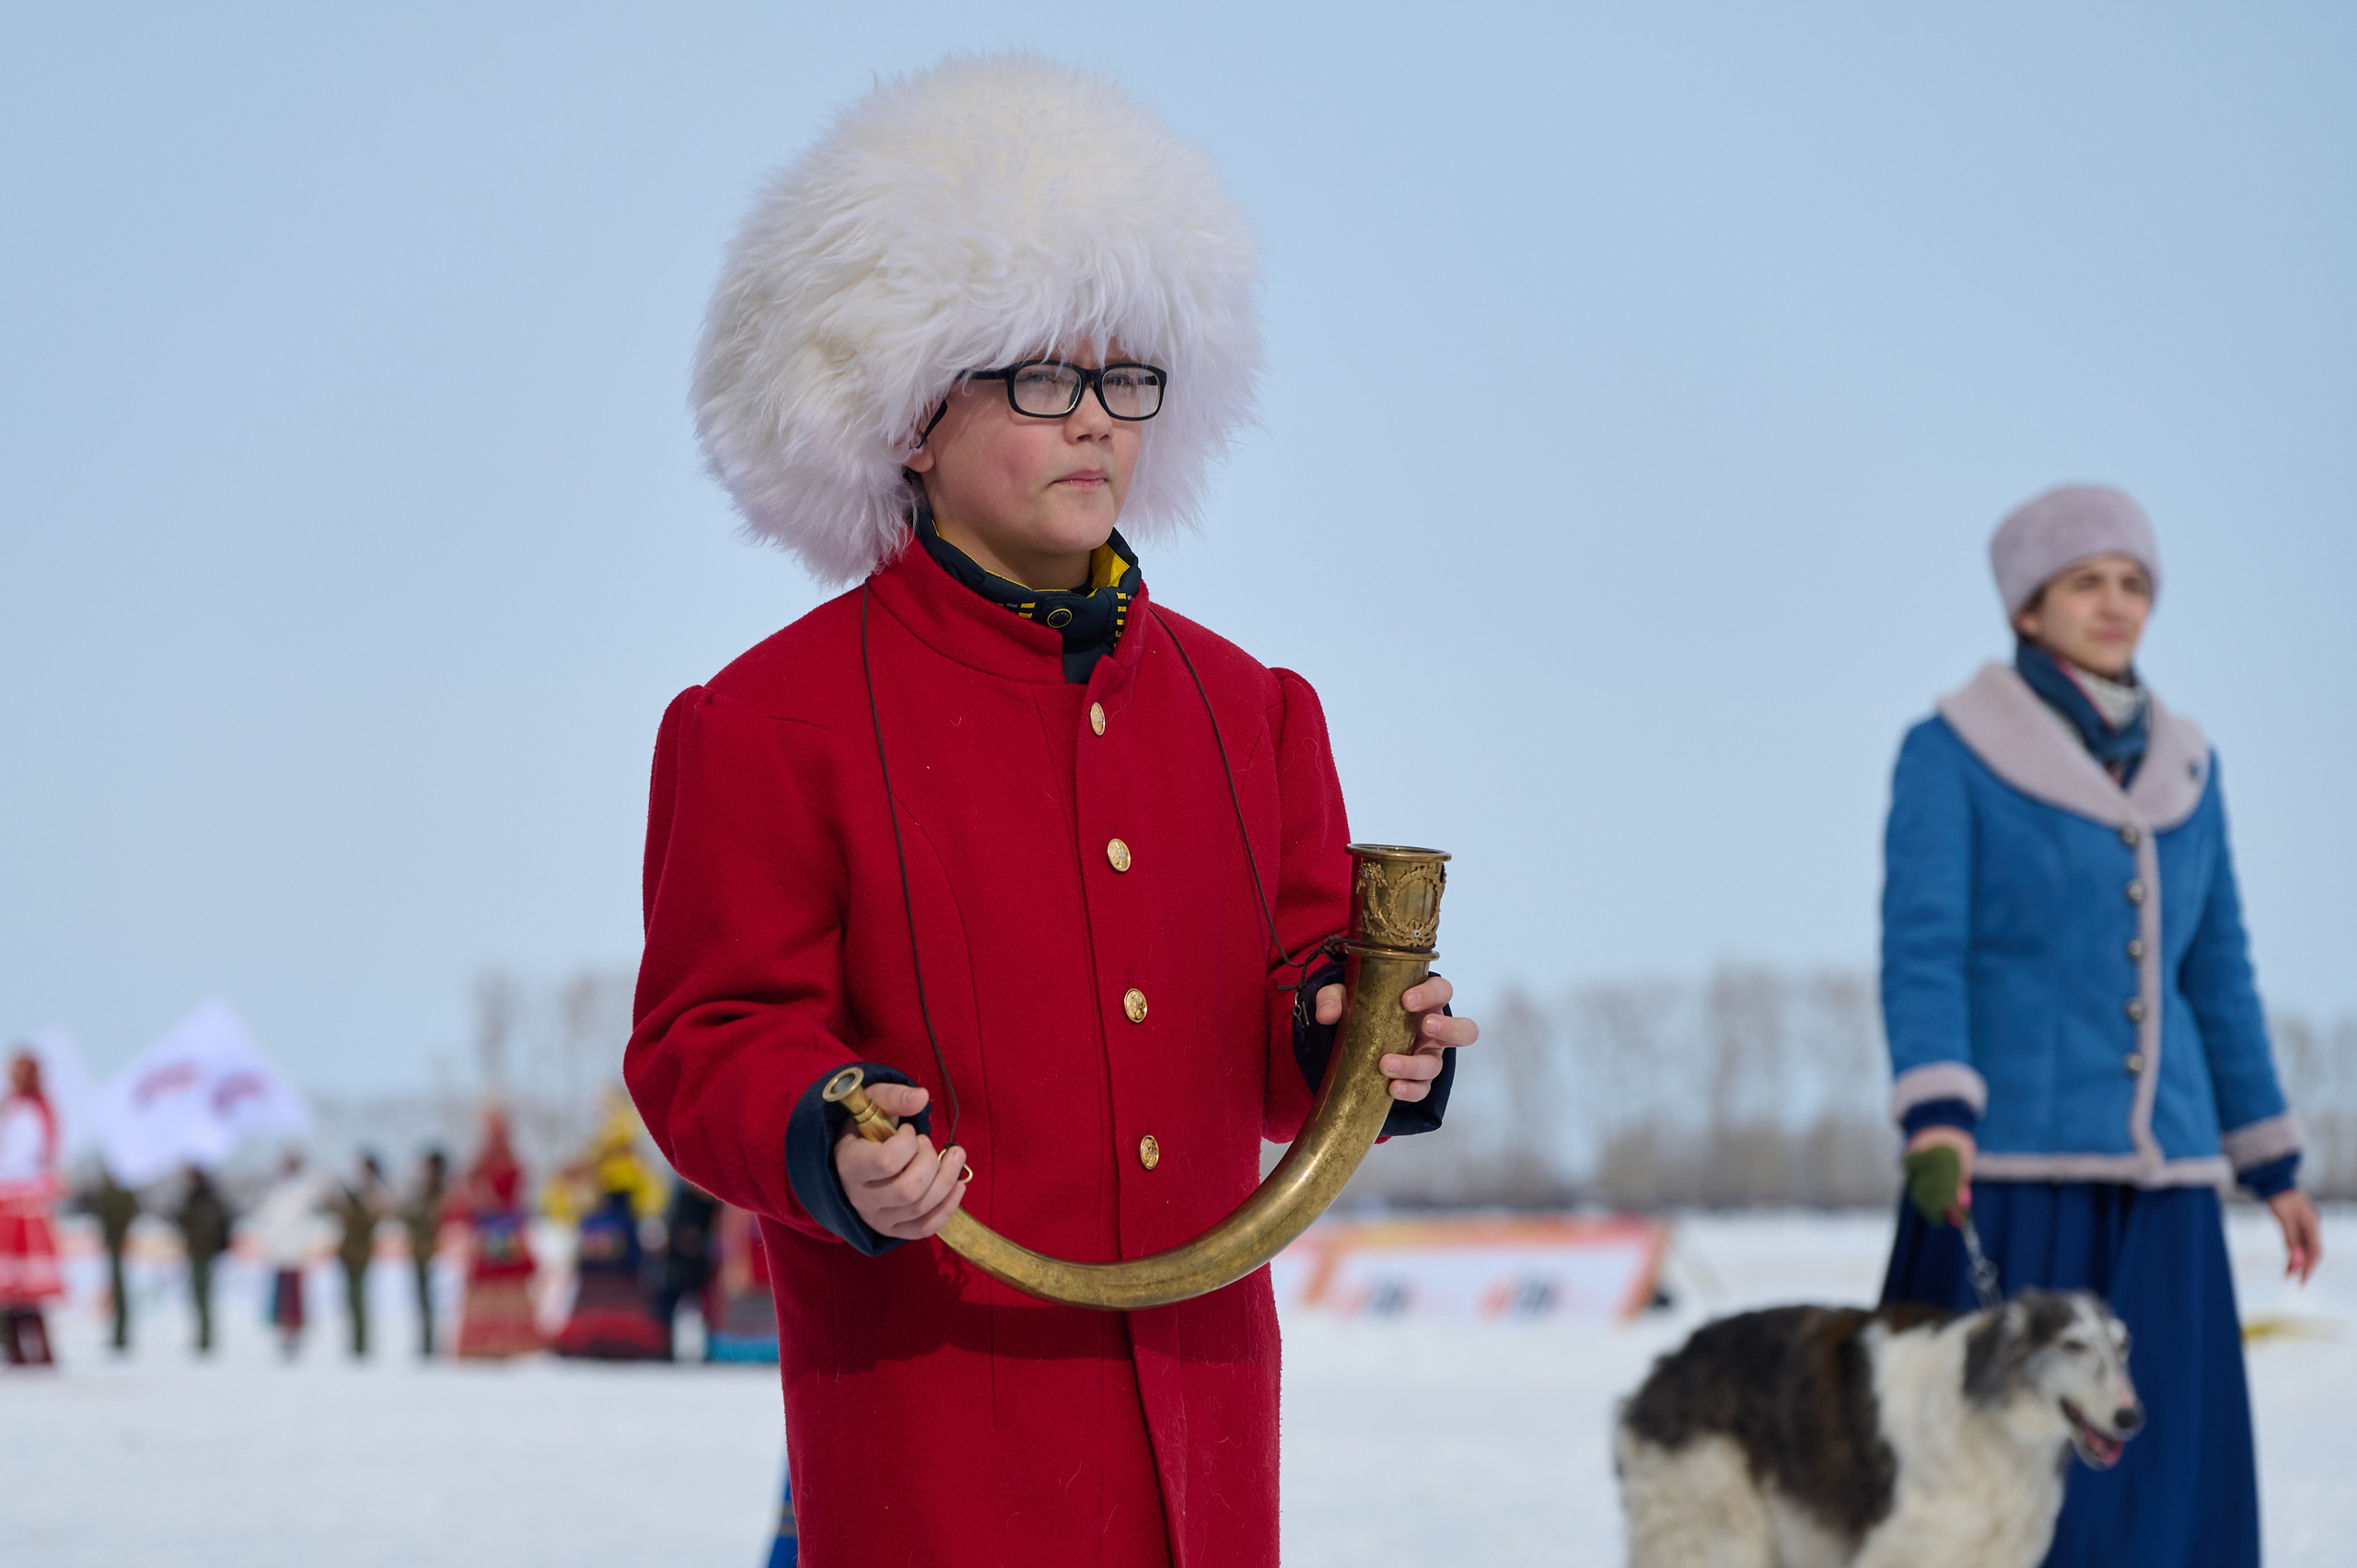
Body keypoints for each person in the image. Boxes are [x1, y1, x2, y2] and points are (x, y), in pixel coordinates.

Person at [626, 56, 1475, 1567]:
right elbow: (709, 1038)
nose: (1094, 420)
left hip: (1204, 1424)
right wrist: (830, 1133)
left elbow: (1287, 1026)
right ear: (903, 416)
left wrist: (1364, 1041)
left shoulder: (1253, 707)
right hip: (941, 1422)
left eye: (1122, 378)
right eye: (1039, 376)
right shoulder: (762, 721)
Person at [1877, 483, 2325, 1568]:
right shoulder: (1949, 751)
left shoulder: (2189, 767)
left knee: (2163, 1481)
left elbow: (2215, 973)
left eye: (2132, 582)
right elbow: (1923, 943)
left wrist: (2270, 1159)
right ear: (2028, 607)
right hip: (2009, 1174)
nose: (2115, 602)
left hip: (2163, 1189)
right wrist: (1937, 1113)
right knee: (1985, 1488)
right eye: (2085, 581)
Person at [545, 1090, 668, 1360]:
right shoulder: (596, 1156)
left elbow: (652, 1198)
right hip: (604, 1233)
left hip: (618, 1232)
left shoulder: (629, 1159)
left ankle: (614, 1339)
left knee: (617, 1283)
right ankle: (598, 1338)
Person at [450, 1107, 541, 1359]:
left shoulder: (500, 1160)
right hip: (497, 1228)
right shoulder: (488, 1159)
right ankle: (501, 1342)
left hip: (501, 1227)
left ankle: (501, 1343)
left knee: (500, 1280)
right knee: (495, 1280)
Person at [0, 1048, 65, 1366]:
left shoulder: (32, 1111)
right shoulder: (17, 1108)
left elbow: (25, 1157)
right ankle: (18, 1348)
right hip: (14, 1199)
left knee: (24, 1286)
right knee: (13, 1289)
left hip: (21, 1200)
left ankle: (35, 1349)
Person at [250, 1148, 327, 1360]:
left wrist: (306, 1243)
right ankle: (283, 1333)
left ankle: (294, 1335)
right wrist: (270, 1240)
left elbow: (315, 1220)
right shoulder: (276, 1190)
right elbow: (265, 1218)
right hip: (280, 1252)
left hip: (297, 1253)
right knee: (282, 1296)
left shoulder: (305, 1190)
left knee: (295, 1298)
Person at [332, 1152, 390, 1359]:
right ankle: (356, 1344)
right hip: (349, 1251)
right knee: (350, 1300)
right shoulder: (359, 1192)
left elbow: (369, 1220)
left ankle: (361, 1345)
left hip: (361, 1252)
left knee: (359, 1299)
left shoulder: (375, 1193)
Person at [175, 1165, 232, 1355]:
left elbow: (218, 1226)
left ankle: (205, 1338)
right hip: (199, 1252)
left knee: (203, 1296)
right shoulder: (199, 1199)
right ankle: (203, 1337)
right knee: (199, 1297)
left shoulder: (205, 1200)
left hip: (204, 1253)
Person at [400, 1147, 449, 1357]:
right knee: (423, 1300)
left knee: (435, 1300)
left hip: (437, 1253)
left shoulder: (442, 1191)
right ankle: (426, 1344)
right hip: (421, 1251)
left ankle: (432, 1346)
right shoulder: (421, 1190)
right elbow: (407, 1215)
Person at [88, 1166, 143, 1353]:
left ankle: (120, 1335)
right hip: (117, 1243)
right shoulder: (124, 1191)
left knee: (118, 1290)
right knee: (118, 1290)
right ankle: (119, 1334)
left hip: (117, 1244)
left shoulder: (113, 1192)